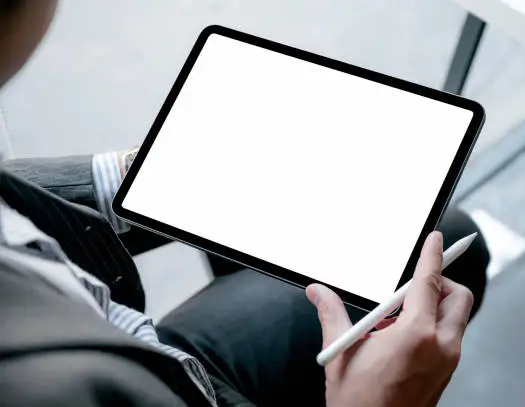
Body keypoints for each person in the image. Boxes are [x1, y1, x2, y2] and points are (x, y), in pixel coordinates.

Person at [0, 1, 498, 406]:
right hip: (145, 384)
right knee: (435, 263)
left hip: (141, 346)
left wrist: (142, 174)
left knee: (438, 236)